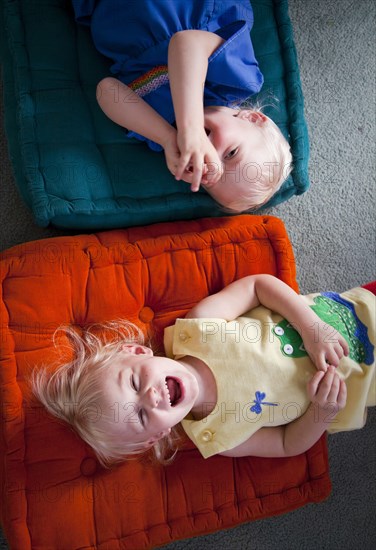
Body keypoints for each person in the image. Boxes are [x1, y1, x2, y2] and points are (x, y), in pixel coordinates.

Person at [32, 275, 375, 467]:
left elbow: (259, 287)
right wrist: (322, 411)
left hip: (351, 314)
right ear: (156, 437)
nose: (151, 397)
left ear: (136, 352)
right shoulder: (219, 436)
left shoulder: (197, 328)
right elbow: (287, 443)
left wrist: (311, 327)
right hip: (364, 382)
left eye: (135, 382)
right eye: (139, 415)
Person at [71, 0, 293, 212]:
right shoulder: (237, 80)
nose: (209, 156)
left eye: (208, 175)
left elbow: (107, 90)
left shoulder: (161, 128)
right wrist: (192, 129)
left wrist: (167, 138)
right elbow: (185, 42)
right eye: (231, 153)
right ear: (252, 118)